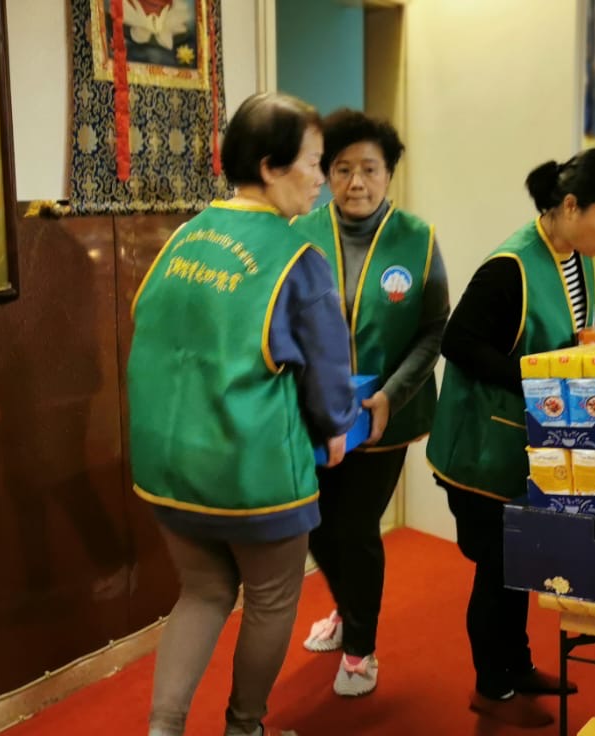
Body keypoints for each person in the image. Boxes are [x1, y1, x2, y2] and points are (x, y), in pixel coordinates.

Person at [130, 92, 359, 736]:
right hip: (253, 471)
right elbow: (328, 373)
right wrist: (336, 426)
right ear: (269, 166)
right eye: (313, 163)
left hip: (167, 463)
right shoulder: (298, 259)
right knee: (271, 599)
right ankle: (245, 727)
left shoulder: (182, 237)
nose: (322, 179)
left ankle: (163, 728)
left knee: (203, 592)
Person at [425, 149, 595, 728]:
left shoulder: (574, 257)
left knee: (521, 563)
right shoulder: (509, 267)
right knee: (496, 570)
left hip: (527, 444)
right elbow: (457, 343)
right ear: (570, 206)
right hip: (481, 450)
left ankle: (517, 666)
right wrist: (538, 380)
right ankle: (491, 688)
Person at [291, 110, 449, 697]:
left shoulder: (418, 238)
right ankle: (346, 606)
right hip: (312, 414)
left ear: (389, 173)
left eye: (369, 169)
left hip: (383, 416)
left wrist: (390, 395)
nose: (356, 182)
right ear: (325, 173)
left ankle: (360, 648)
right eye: (342, 169)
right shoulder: (299, 233)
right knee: (314, 527)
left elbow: (434, 328)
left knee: (355, 528)